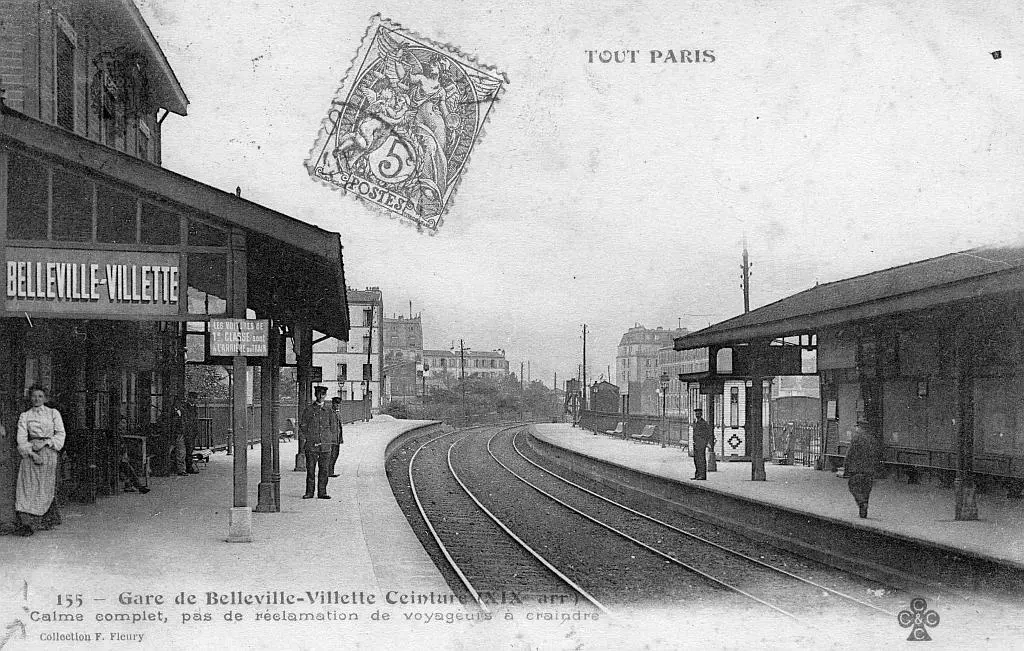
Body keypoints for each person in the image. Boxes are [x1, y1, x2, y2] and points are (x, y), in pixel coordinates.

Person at [13, 385, 66, 536]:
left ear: (45, 398)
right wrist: (32, 453)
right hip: (31, 452)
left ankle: (43, 520)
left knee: (44, 486)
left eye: (40, 396)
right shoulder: (25, 416)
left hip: (48, 452)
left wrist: (46, 443)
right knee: (27, 487)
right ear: (30, 398)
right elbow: (21, 439)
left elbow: (60, 434)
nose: (37, 399)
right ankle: (26, 523)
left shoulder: (53, 413)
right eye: (34, 396)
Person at [299, 386, 340, 499]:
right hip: (312, 445)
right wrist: (310, 437)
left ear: (325, 395)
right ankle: (309, 492)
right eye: (319, 394)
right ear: (315, 395)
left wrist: (329, 440)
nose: (321, 396)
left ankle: (322, 492)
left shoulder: (329, 411)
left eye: (323, 394)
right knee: (310, 470)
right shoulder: (309, 410)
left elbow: (333, 427)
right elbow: (303, 425)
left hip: (325, 446)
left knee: (324, 470)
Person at [845, 423, 882, 518]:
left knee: (853, 486)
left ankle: (862, 503)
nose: (856, 429)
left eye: (857, 427)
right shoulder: (872, 439)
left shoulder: (856, 438)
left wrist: (846, 466)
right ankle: (863, 511)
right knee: (866, 490)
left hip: (857, 469)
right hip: (869, 470)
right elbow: (877, 454)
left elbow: (849, 453)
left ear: (860, 428)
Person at [115, 415, 150, 495]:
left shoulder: (120, 434)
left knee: (129, 465)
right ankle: (138, 486)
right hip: (117, 459)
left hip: (120, 458)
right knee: (127, 467)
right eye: (123, 422)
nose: (124, 425)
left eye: (125, 423)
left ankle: (133, 485)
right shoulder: (117, 434)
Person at [691, 408, 713, 480]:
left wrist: (705, 443)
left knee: (701, 459)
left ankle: (702, 475)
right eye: (696, 414)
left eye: (698, 414)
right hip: (696, 443)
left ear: (701, 414)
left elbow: (708, 433)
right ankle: (697, 474)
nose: (697, 415)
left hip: (701, 444)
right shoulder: (695, 422)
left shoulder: (704, 423)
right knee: (696, 460)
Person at [182, 392, 201, 474]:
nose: (195, 400)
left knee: (190, 449)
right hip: (187, 431)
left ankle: (189, 466)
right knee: (188, 450)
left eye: (195, 398)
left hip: (193, 431)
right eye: (193, 398)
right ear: (189, 398)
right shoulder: (185, 407)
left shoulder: (195, 408)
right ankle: (188, 467)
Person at [328, 397, 345, 478]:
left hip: (337, 438)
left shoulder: (337, 413)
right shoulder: (330, 413)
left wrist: (340, 438)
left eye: (338, 404)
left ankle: (331, 471)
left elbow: (339, 427)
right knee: (331, 455)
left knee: (335, 454)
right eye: (336, 404)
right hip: (331, 439)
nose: (337, 405)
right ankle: (329, 472)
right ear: (333, 404)